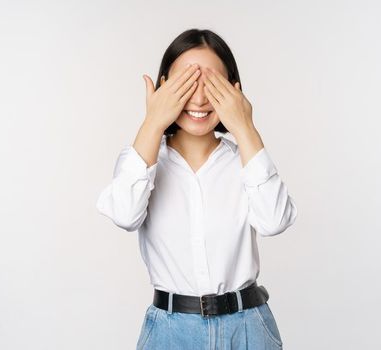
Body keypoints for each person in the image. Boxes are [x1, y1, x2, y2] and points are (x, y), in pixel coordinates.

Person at [95, 28, 298, 349]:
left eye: (212, 85)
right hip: (170, 331)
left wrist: (245, 126)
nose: (200, 98)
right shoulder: (144, 159)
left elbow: (275, 221)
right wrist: (152, 122)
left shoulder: (244, 160)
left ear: (234, 90)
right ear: (164, 87)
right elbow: (124, 214)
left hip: (247, 328)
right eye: (186, 84)